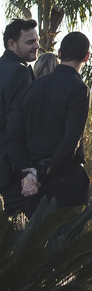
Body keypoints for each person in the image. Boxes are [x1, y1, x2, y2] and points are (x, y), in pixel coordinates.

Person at [17, 31, 91, 211]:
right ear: (86, 57)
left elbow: (17, 134)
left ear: (59, 53)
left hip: (33, 178)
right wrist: (44, 173)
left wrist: (29, 173)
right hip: (65, 179)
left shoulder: (34, 86)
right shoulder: (79, 89)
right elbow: (71, 141)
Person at [0, 18, 38, 215]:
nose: (37, 46)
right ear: (11, 44)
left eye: (36, 41)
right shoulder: (19, 72)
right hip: (12, 169)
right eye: (30, 42)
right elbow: (17, 124)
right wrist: (25, 170)